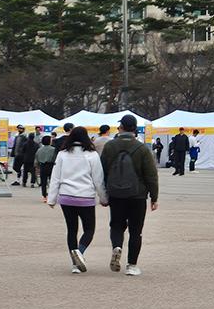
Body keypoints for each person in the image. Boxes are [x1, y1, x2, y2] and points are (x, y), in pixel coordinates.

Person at [101, 114, 159, 276]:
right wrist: (154, 197)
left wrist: (104, 193)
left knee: (116, 226)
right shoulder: (142, 148)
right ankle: (132, 265)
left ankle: (117, 246)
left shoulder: (110, 146)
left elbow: (102, 171)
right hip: (137, 195)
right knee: (135, 230)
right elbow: (151, 175)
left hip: (116, 194)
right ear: (135, 129)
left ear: (121, 128)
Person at [45, 126, 107, 274]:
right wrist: (104, 198)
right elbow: (98, 179)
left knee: (71, 230)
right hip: (86, 197)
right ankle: (80, 252)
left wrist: (51, 199)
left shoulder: (62, 154)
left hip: (66, 197)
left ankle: (75, 263)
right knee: (89, 229)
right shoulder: (92, 155)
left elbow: (55, 177)